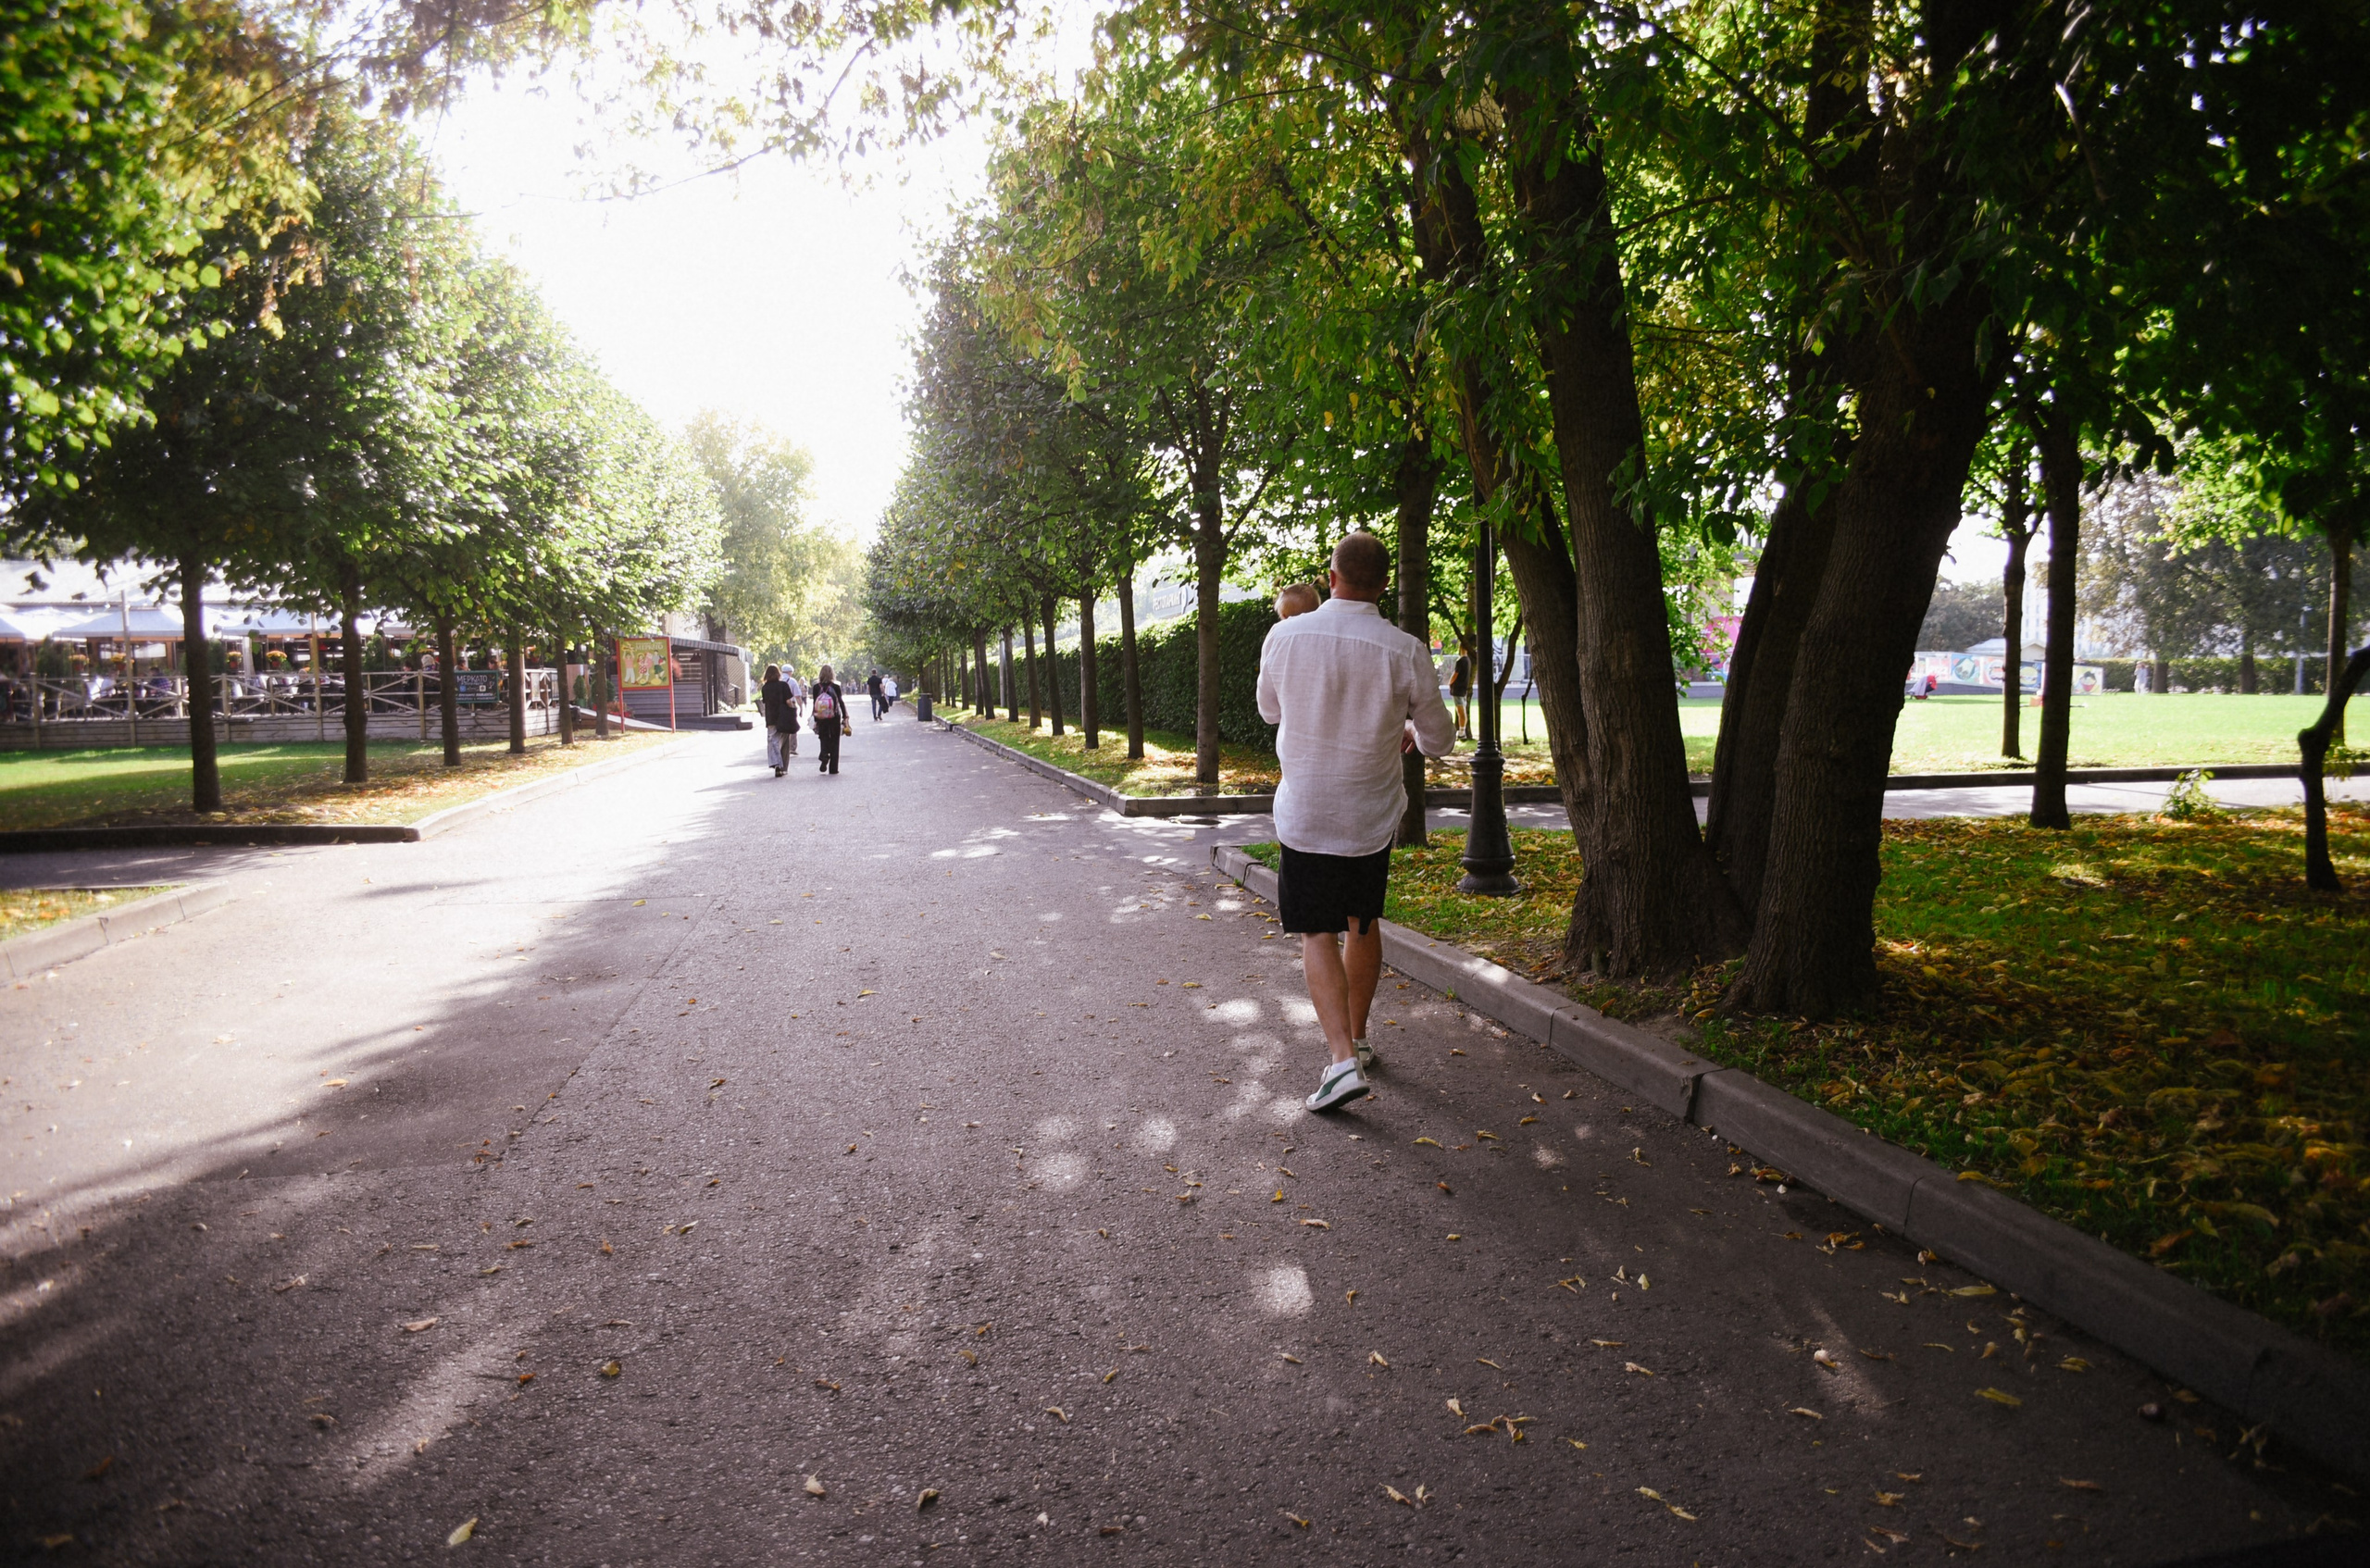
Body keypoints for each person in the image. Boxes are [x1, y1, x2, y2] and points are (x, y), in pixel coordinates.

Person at [1255, 530, 1456, 1112]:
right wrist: (1413, 731)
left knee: (1317, 929)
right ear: (1383, 584)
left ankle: (1340, 1059)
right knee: (1362, 922)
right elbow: (1440, 741)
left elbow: (1270, 710)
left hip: (1306, 811)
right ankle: (1360, 1041)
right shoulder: (1406, 649)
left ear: (1331, 576)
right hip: (1369, 815)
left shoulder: (1284, 635)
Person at [759, 663, 797, 776]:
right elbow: (788, 701)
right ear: (778, 674)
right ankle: (783, 767)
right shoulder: (783, 685)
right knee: (785, 743)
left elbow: (766, 702)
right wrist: (793, 709)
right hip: (784, 717)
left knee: (773, 741)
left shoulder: (765, 688)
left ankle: (776, 764)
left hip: (771, 718)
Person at [811, 664, 846, 775]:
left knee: (823, 737)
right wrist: (845, 716)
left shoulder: (816, 687)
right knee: (835, 741)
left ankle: (824, 755)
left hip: (821, 717)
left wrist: (815, 719)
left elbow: (815, 703)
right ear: (832, 674)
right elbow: (840, 702)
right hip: (834, 717)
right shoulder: (835, 687)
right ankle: (833, 768)